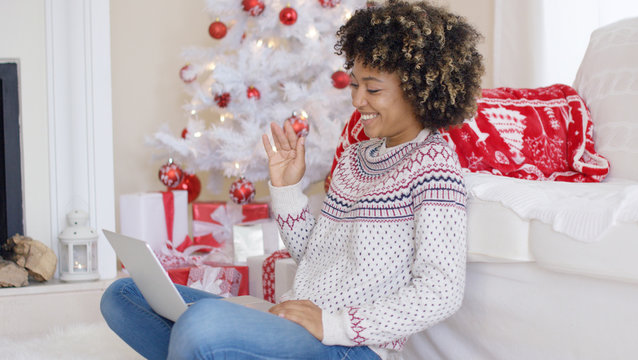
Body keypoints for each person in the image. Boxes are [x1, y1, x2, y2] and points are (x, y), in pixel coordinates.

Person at [100, 1, 483, 358]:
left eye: (373, 89)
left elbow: (441, 290)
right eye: (354, 84)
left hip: (350, 347)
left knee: (200, 324)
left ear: (419, 92)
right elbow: (313, 256)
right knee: (125, 295)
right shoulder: (355, 159)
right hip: (297, 324)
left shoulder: (435, 171)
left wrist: (335, 324)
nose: (357, 101)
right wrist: (285, 188)